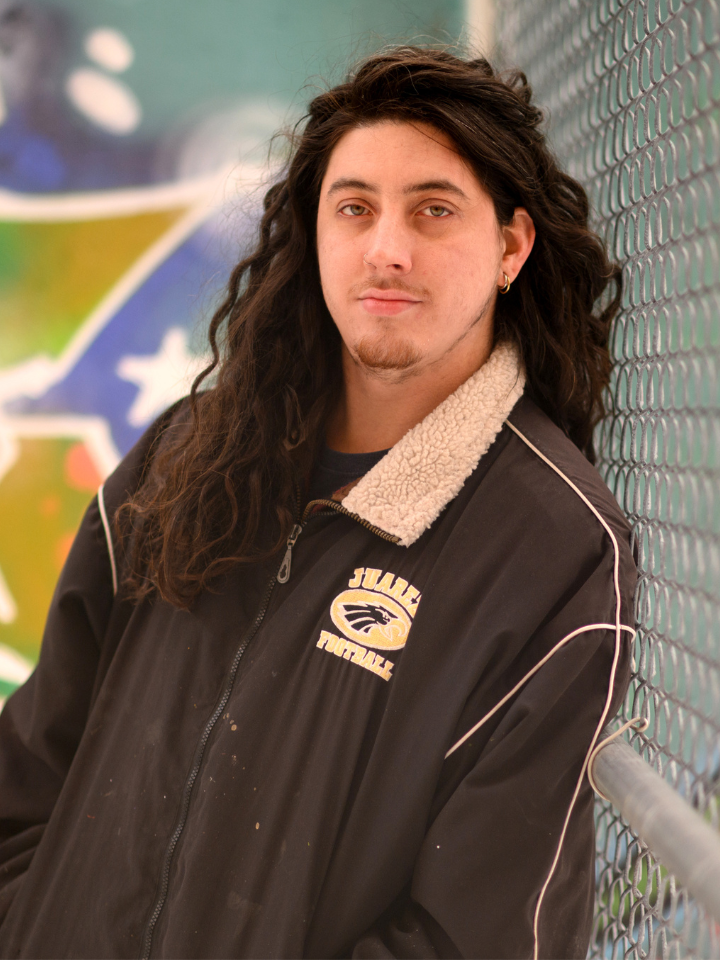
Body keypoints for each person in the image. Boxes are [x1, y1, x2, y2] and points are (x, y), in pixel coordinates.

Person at [0, 47, 636, 960]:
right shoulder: (186, 461)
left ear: (512, 247)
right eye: (355, 208)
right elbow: (28, 775)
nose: (387, 246)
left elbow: (475, 935)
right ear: (318, 233)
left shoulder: (550, 546)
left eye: (433, 209)